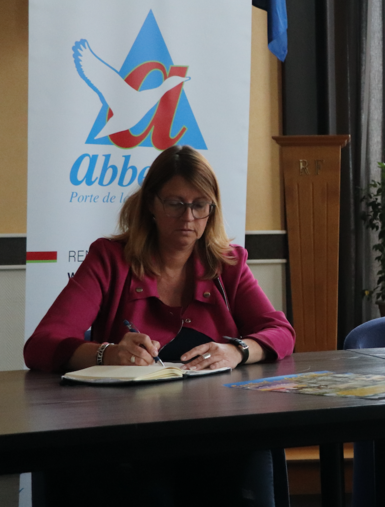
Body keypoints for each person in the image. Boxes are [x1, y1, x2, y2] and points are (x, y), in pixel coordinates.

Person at [24, 145, 295, 506]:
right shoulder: (110, 259)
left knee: (249, 458)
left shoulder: (227, 263)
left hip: (216, 430)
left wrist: (237, 350)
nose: (188, 217)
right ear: (151, 203)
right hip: (130, 436)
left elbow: (280, 332)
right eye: (175, 203)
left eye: (200, 205)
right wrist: (106, 353)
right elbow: (41, 344)